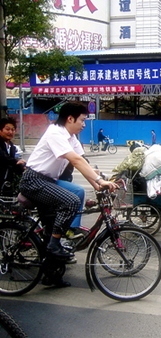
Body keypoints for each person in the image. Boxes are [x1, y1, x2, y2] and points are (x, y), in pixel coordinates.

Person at [19, 102, 118, 264]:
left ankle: (67, 234)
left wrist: (98, 186)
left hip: (49, 181)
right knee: (71, 200)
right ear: (70, 119)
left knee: (78, 192)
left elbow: (83, 162)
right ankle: (54, 244)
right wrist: (99, 180)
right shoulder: (55, 133)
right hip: (33, 180)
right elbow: (76, 160)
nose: (84, 125)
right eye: (82, 120)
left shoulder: (71, 138)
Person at [0, 117, 26, 195]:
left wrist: (22, 168)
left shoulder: (12, 147)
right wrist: (16, 161)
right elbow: (3, 157)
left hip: (6, 183)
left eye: (13, 129)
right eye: (7, 129)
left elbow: (12, 165)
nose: (10, 132)